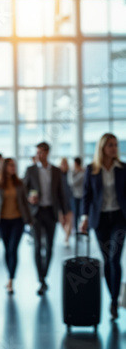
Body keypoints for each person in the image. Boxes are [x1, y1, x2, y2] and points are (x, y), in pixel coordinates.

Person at [80, 133, 126, 321]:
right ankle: (112, 296)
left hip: (119, 219)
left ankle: (114, 301)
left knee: (115, 258)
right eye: (110, 145)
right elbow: (86, 195)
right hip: (99, 220)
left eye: (115, 145)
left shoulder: (123, 168)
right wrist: (84, 217)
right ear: (102, 148)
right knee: (107, 260)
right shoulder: (92, 169)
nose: (114, 148)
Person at [24, 142, 68, 296]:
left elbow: (60, 193)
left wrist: (65, 212)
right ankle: (40, 279)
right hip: (36, 212)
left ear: (47, 152)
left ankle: (45, 275)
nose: (38, 155)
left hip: (51, 212)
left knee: (49, 247)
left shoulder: (56, 171)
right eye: (37, 152)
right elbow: (24, 191)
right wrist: (30, 198)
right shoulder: (30, 170)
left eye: (41, 152)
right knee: (37, 246)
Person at [0, 158, 32, 294]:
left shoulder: (19, 183)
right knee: (7, 250)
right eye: (11, 165)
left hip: (18, 221)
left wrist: (29, 219)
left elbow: (24, 202)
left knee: (13, 249)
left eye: (15, 165)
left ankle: (11, 279)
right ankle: (9, 275)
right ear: (5, 167)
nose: (14, 168)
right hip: (2, 222)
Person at [59, 158, 73, 247]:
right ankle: (67, 233)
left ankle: (66, 238)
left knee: (69, 220)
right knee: (62, 221)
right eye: (62, 164)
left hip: (70, 199)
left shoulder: (70, 173)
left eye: (65, 164)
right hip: (60, 200)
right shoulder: (57, 174)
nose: (64, 166)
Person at [70, 157, 85, 232]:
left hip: (83, 196)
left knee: (83, 214)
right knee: (75, 214)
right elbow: (71, 183)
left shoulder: (84, 171)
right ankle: (76, 230)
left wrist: (81, 173)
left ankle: (84, 230)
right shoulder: (72, 172)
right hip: (75, 196)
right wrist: (80, 173)